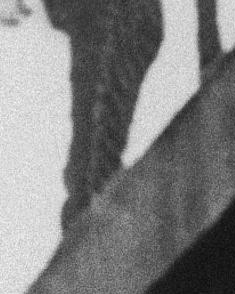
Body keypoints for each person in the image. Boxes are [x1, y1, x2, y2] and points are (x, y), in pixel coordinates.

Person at [45, 0, 163, 228]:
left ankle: (95, 206)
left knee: (102, 129)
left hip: (120, 13)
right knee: (87, 150)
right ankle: (90, 208)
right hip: (95, 20)